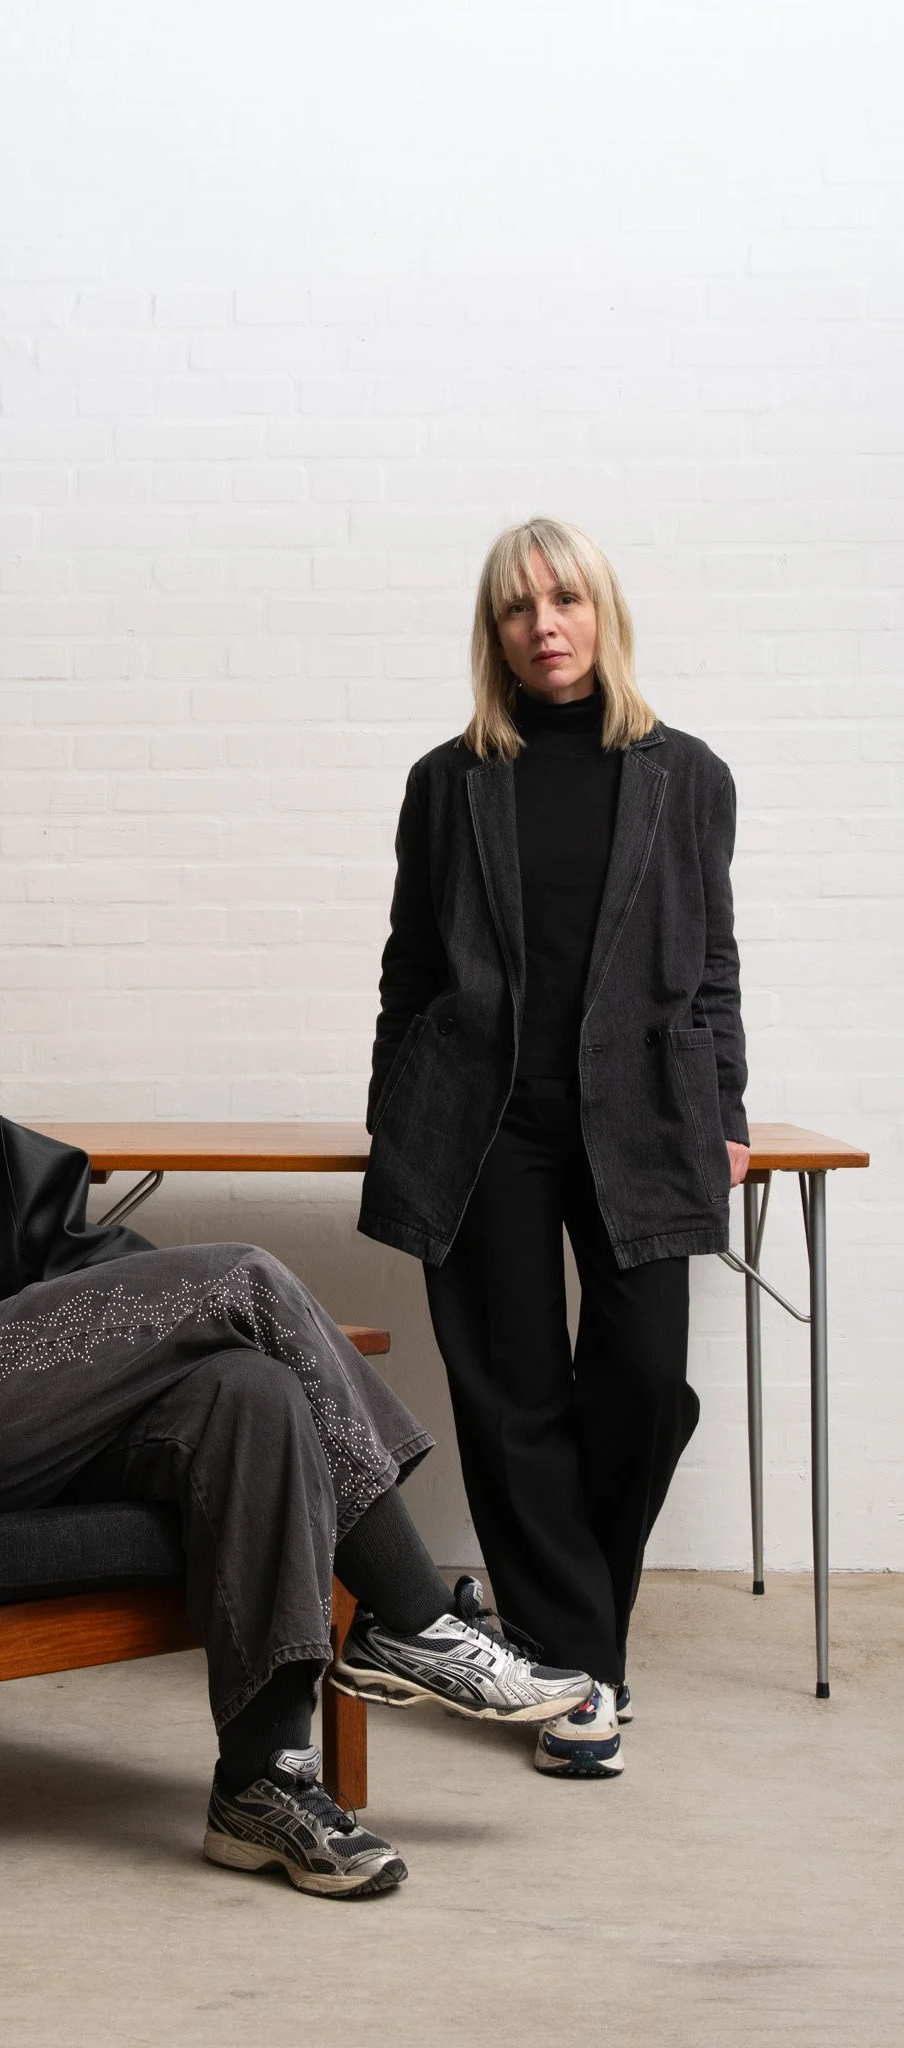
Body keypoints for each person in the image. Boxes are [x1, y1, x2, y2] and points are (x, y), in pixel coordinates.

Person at [0, 865, 593, 1900]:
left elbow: (82, 1254)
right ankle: (411, 1613)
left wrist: (187, 1331)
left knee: (250, 1390)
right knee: (241, 1276)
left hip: (4, 1406)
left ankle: (261, 1784)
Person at [358, 517, 749, 1780]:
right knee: (509, 1392)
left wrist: (726, 1109)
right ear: (496, 633)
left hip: (642, 1114)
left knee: (641, 1382)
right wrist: (392, 1108)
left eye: (564, 599)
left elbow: (710, 962)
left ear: (601, 611)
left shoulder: (685, 774)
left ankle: (553, 1633)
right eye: (518, 607)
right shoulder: (449, 780)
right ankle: (582, 1671)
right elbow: (410, 965)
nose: (544, 625)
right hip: (481, 1123)